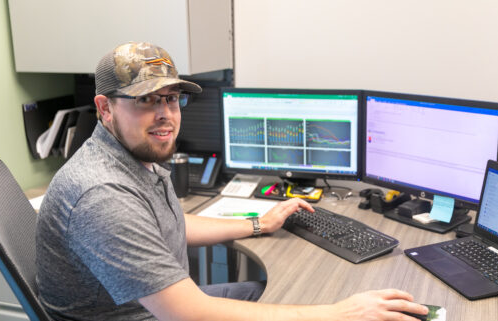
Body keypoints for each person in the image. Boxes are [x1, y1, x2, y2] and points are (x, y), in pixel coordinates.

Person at [36, 42, 428, 321]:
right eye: (146, 100)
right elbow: (187, 312)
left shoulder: (131, 155)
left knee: (293, 297)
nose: (166, 115)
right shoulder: (102, 194)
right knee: (319, 305)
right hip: (144, 315)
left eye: (172, 99)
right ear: (104, 108)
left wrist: (259, 224)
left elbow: (164, 224)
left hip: (149, 305)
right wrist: (339, 315)